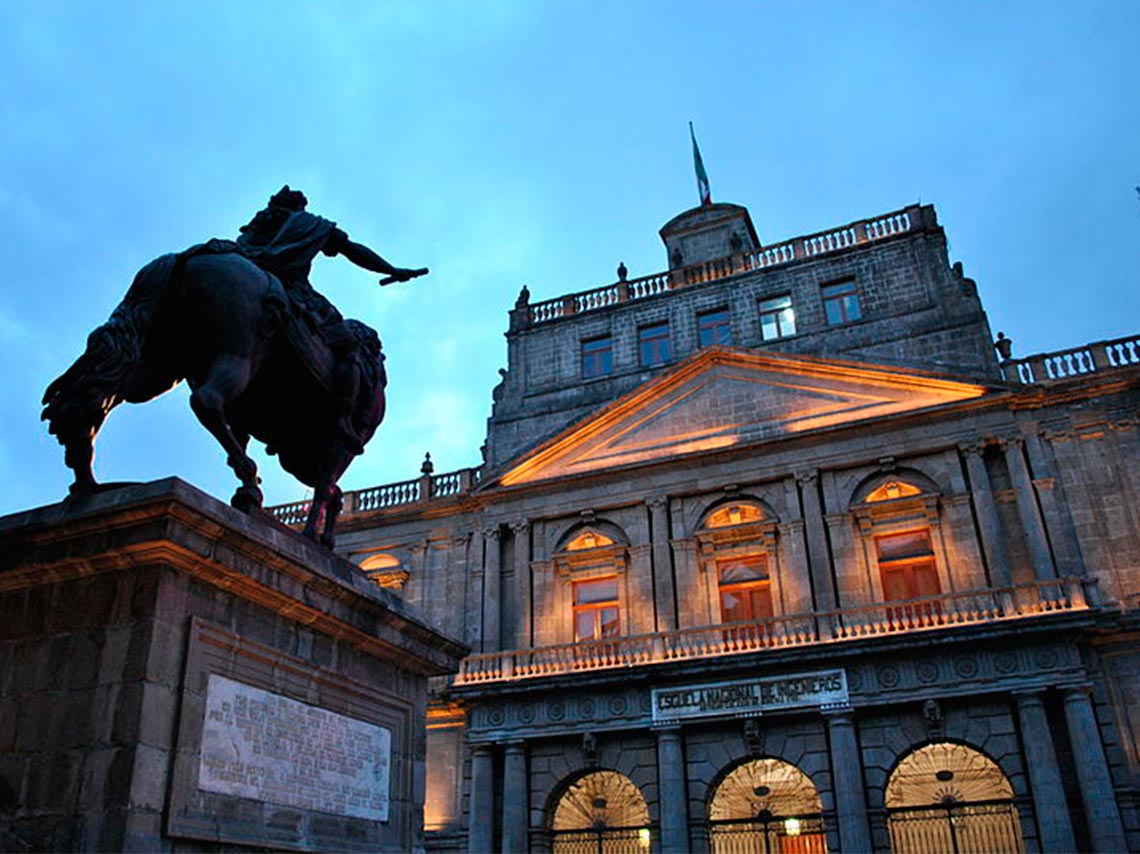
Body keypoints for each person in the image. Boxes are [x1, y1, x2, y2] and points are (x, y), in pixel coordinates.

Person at [235, 185, 425, 445]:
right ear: (299, 207)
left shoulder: (257, 223)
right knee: (349, 343)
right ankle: (344, 418)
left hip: (251, 285)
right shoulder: (307, 223)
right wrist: (392, 269)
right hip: (292, 290)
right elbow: (352, 251)